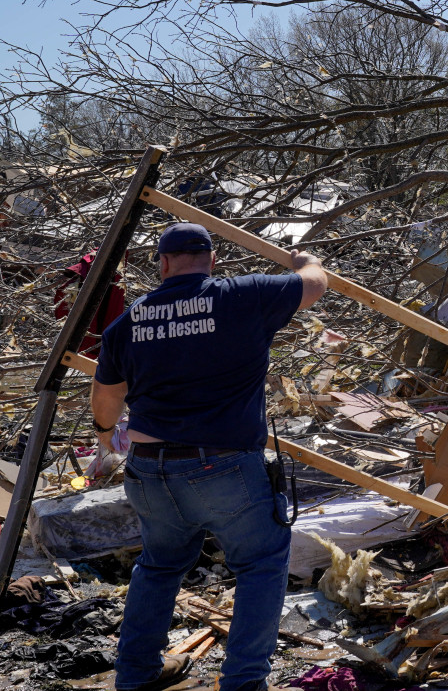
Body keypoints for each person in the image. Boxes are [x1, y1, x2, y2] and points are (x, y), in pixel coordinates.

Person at [91, 222, 328, 691]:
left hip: (150, 469)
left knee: (158, 567)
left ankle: (135, 676)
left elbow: (106, 395)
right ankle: (242, 683)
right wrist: (304, 261)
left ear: (162, 264)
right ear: (212, 259)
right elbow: (317, 284)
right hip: (224, 467)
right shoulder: (243, 296)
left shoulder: (131, 320)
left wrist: (104, 437)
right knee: (260, 565)